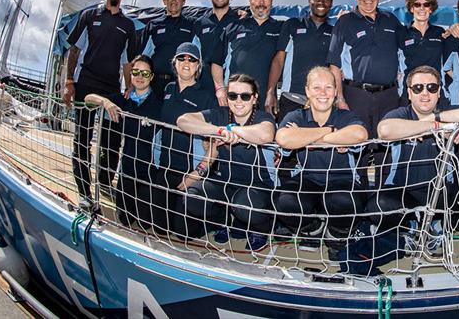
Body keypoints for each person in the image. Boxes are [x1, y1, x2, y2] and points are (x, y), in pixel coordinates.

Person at [372, 65, 459, 238]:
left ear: (439, 92)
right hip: (405, 192)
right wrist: (433, 127)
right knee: (378, 207)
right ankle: (410, 225)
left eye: (432, 87)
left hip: (443, 193)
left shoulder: (448, 114)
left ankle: (441, 225)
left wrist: (438, 118)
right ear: (409, 93)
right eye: (418, 88)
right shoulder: (401, 113)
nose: (425, 93)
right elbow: (384, 130)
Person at [274, 66, 368, 255]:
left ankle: (336, 235)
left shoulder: (346, 116)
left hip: (342, 180)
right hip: (307, 178)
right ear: (307, 91)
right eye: (316, 88)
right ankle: (313, 229)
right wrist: (332, 133)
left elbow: (360, 134)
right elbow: (283, 138)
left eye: (328, 87)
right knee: (284, 201)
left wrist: (304, 135)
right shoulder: (296, 116)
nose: (323, 93)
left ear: (335, 92)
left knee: (342, 200)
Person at [177, 73, 276, 250]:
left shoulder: (262, 117)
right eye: (232, 95)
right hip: (225, 181)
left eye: (245, 96)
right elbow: (183, 121)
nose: (238, 101)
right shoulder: (220, 115)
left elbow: (266, 134)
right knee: (193, 197)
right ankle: (222, 221)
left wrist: (235, 131)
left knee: (245, 206)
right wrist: (220, 130)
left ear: (254, 99)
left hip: (257, 186)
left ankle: (261, 229)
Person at [64, 0, 138, 206]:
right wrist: (68, 81)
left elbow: (127, 61)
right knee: (83, 139)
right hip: (86, 84)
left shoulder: (128, 26)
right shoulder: (89, 16)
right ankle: (85, 192)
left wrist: (129, 86)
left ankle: (105, 183)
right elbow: (74, 50)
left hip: (112, 90)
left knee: (110, 141)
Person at [327, 0, 404, 183]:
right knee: (356, 147)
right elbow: (334, 64)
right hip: (355, 95)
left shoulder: (392, 21)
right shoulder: (345, 21)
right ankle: (357, 201)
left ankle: (383, 202)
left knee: (386, 149)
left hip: (388, 96)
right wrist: (340, 99)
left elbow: (411, 46)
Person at [84, 55, 162, 228]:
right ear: (131, 75)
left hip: (149, 173)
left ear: (152, 77)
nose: (140, 77)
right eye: (135, 72)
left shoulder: (159, 103)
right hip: (126, 171)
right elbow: (88, 98)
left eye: (145, 73)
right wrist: (106, 102)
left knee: (146, 223)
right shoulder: (123, 100)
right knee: (125, 220)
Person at [151, 42, 218, 238]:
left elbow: (214, 145)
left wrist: (196, 174)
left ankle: (217, 216)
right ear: (175, 63)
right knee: (159, 230)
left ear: (198, 66)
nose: (186, 62)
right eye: (181, 58)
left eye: (192, 59)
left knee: (184, 234)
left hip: (189, 172)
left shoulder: (206, 97)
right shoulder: (168, 89)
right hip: (164, 168)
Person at [266, 0, 334, 120]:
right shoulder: (292, 24)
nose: (321, 2)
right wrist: (270, 93)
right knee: (286, 139)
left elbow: (335, 68)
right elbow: (279, 61)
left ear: (331, 4)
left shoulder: (334, 32)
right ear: (310, 0)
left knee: (321, 140)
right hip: (292, 98)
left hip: (321, 101)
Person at [216, 0, 282, 103]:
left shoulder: (281, 28)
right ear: (250, 0)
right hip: (235, 100)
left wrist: (271, 93)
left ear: (272, 1)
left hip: (265, 102)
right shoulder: (232, 27)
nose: (261, 2)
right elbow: (216, 62)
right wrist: (220, 89)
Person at [140, 0, 198, 95]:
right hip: (154, 84)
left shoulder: (192, 25)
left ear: (184, 1)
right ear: (164, 0)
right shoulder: (153, 25)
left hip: (181, 85)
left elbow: (198, 56)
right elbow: (143, 58)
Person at [193, 0, 242, 106]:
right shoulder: (200, 23)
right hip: (202, 84)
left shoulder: (240, 20)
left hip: (229, 86)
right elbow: (193, 54)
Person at [400, 0, 445, 104]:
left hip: (434, 93)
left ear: (431, 9)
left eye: (426, 5)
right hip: (409, 94)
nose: (422, 8)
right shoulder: (402, 33)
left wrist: (457, 26)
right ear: (411, 8)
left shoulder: (441, 33)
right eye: (417, 4)